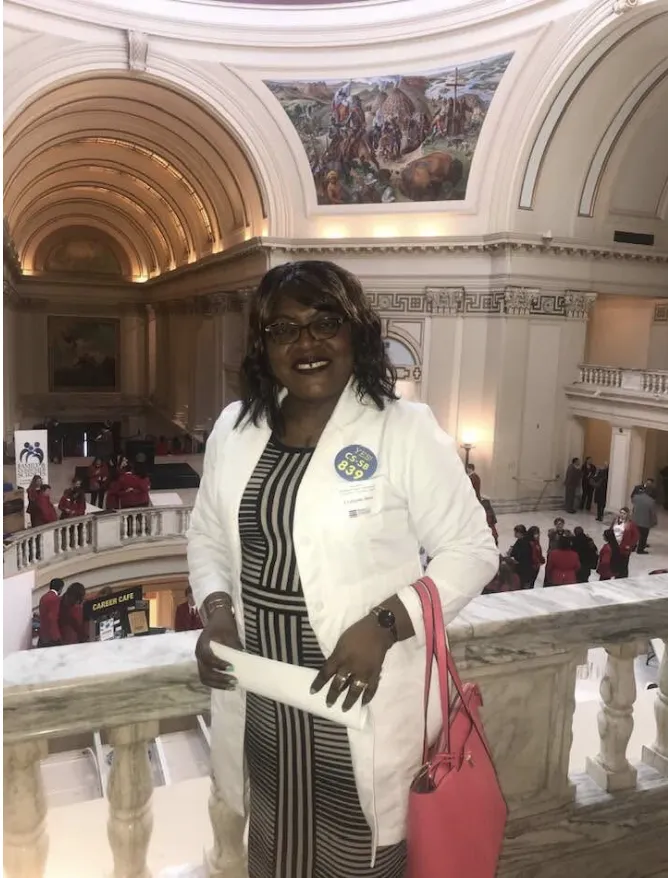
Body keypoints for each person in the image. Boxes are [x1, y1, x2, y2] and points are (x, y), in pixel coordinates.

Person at [187, 260, 498, 878]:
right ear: (262, 345)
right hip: (266, 701)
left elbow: (472, 549)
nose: (306, 343)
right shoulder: (234, 428)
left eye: (325, 323)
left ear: (357, 330)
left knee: (360, 852)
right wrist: (217, 613)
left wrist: (385, 624)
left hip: (356, 693)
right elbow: (208, 537)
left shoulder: (404, 430)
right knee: (273, 849)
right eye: (284, 329)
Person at [610, 507, 639, 577]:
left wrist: (630, 545)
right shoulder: (615, 520)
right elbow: (610, 530)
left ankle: (622, 576)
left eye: (624, 513)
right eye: (621, 513)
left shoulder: (630, 524)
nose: (622, 515)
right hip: (614, 545)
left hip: (624, 547)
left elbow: (636, 535)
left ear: (627, 515)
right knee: (615, 562)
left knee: (623, 563)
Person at [38, 577, 65, 647]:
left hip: (43, 636)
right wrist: (57, 637)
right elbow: (52, 618)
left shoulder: (43, 597)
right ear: (61, 588)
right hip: (52, 637)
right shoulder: (55, 599)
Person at [632, 487, 657, 555]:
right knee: (643, 536)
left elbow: (633, 504)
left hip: (635, 520)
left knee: (634, 534)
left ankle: (632, 547)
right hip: (645, 522)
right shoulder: (651, 501)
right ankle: (640, 550)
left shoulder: (636, 497)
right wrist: (654, 522)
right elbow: (652, 513)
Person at [508, 525, 535, 589]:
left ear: (520, 533)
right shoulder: (522, 540)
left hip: (523, 569)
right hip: (524, 568)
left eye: (515, 532)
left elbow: (520, 555)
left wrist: (511, 554)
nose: (514, 534)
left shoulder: (523, 542)